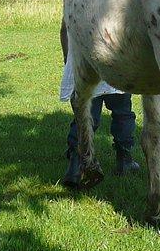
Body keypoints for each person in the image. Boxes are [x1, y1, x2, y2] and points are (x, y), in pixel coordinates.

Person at [59, 19, 139, 187]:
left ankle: (76, 164)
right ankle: (124, 159)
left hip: (86, 66)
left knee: (85, 117)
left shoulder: (79, 1)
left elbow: (64, 29)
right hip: (116, 66)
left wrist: (68, 59)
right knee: (123, 115)